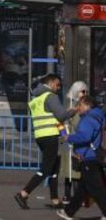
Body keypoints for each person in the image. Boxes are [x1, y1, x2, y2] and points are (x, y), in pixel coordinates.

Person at [14, 74, 68, 210]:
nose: (58, 87)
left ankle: (55, 200)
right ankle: (23, 193)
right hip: (50, 136)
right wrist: (73, 111)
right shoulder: (50, 96)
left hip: (41, 136)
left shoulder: (36, 98)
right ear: (51, 83)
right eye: (57, 84)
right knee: (46, 169)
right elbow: (61, 115)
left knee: (54, 168)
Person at [57, 92, 106, 220]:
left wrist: (69, 137)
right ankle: (68, 212)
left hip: (89, 157)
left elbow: (85, 136)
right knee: (83, 189)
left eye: (80, 104)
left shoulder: (88, 119)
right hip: (95, 155)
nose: (78, 107)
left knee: (97, 189)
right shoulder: (99, 116)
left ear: (88, 105)